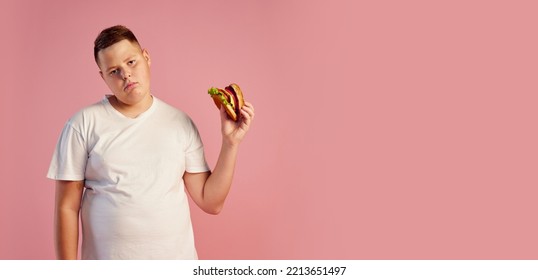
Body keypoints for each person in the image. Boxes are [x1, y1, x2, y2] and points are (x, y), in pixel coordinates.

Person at [47, 25, 255, 259]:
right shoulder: (82, 124)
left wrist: (230, 143)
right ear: (103, 76)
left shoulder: (180, 123)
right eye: (113, 71)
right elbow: (67, 207)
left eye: (131, 62)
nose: (125, 74)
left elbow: (211, 202)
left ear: (146, 57)